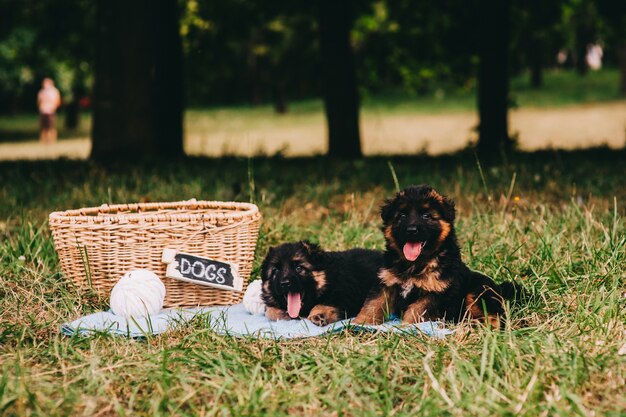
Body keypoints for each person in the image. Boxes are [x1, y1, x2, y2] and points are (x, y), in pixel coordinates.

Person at [37, 78, 61, 144]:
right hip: (43, 110)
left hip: (51, 111)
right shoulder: (41, 92)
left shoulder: (54, 91)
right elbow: (39, 102)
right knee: (43, 127)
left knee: (51, 126)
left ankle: (52, 141)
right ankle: (43, 141)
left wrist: (53, 107)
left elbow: (58, 101)